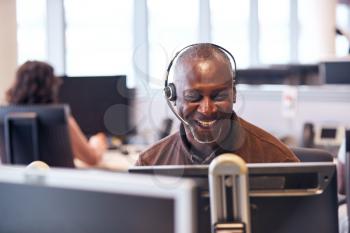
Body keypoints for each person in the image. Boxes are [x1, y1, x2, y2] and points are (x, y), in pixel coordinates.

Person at [136, 43, 299, 165]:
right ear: (173, 96)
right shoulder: (150, 163)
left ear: (233, 94)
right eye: (193, 97)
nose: (207, 109)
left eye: (218, 96)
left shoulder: (277, 159)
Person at [5, 60, 107, 165]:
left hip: (17, 181)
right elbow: (91, 159)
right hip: (59, 181)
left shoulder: (5, 117)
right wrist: (97, 141)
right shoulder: (59, 118)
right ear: (51, 87)